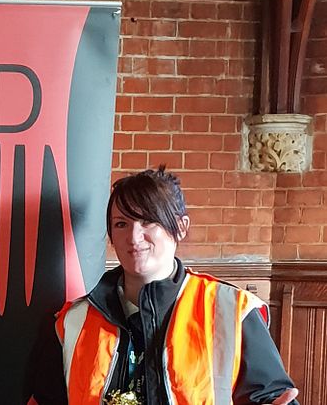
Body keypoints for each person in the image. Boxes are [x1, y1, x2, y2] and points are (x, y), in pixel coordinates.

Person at [27, 166, 299, 405]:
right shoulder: (73, 322)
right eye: (121, 224)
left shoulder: (232, 310)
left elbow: (273, 398)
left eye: (148, 221)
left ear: (181, 227)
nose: (134, 237)